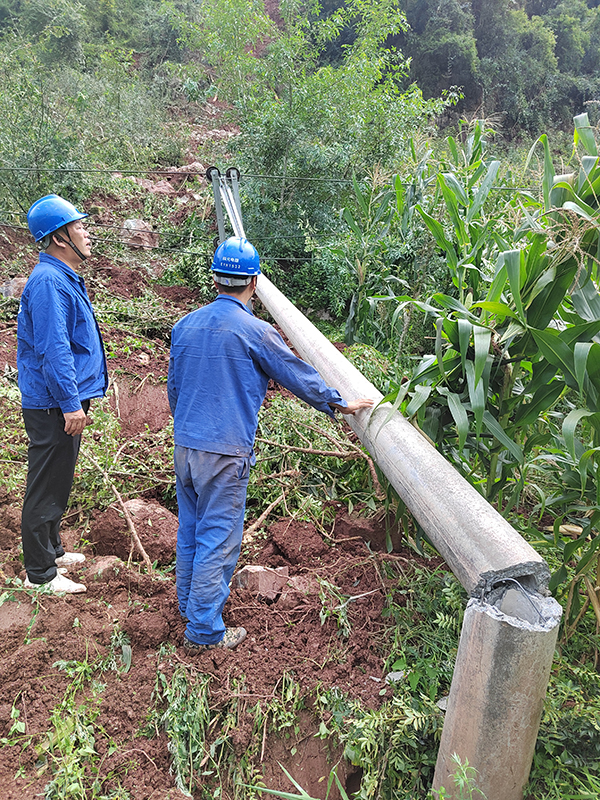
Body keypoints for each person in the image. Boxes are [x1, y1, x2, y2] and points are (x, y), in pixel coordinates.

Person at [167, 236, 374, 654]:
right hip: (225, 453)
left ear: (214, 279)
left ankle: (189, 606)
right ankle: (204, 632)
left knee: (190, 529)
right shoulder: (256, 331)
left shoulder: (184, 326)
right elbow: (294, 372)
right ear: (254, 284)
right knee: (218, 538)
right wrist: (338, 401)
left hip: (186, 446)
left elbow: (174, 390)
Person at [17, 194, 108, 594]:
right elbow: (53, 349)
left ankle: (51, 549)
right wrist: (71, 403)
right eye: (79, 227)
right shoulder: (50, 282)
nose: (87, 234)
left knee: (59, 478)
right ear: (59, 238)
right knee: (46, 484)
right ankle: (40, 574)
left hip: (62, 399)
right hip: (53, 402)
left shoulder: (63, 276)